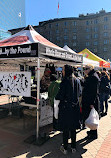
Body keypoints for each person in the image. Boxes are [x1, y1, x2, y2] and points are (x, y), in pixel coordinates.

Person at [55, 65, 81, 154]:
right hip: (75, 107)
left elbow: (60, 95)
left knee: (66, 128)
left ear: (66, 71)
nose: (62, 71)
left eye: (63, 70)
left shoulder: (65, 81)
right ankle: (73, 147)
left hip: (66, 108)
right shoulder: (77, 80)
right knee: (73, 128)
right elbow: (79, 93)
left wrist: (57, 96)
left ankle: (65, 147)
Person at [82, 64, 100, 140]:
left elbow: (94, 92)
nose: (85, 70)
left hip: (92, 101)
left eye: (86, 69)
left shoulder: (93, 77)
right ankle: (92, 133)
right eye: (84, 69)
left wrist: (92, 103)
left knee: (92, 118)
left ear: (90, 69)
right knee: (91, 117)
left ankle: (93, 134)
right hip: (90, 101)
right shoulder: (91, 76)